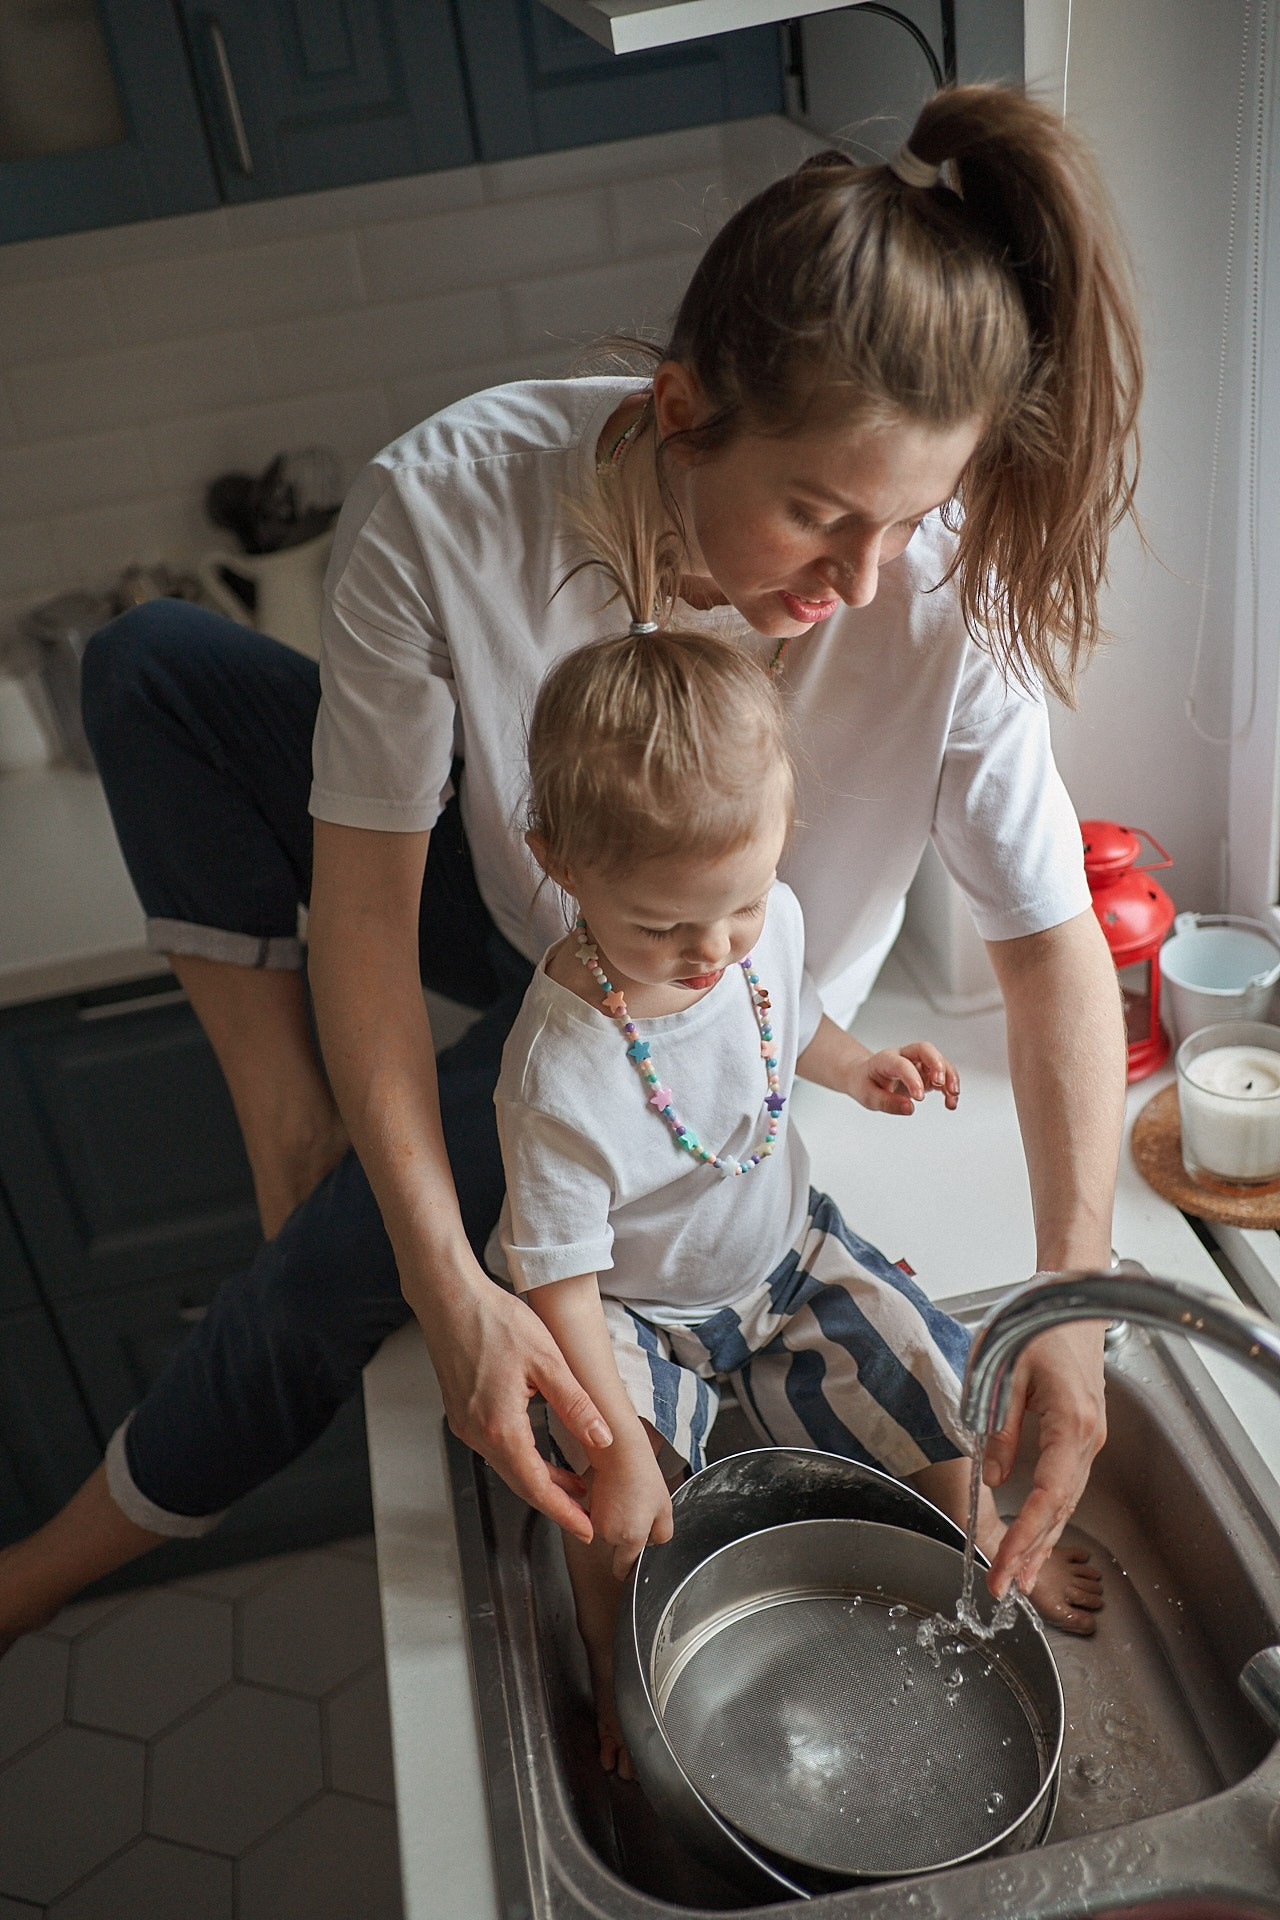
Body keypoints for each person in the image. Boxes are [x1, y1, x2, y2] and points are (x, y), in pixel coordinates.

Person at [0, 83, 1135, 1648]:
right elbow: (368, 917)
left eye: (909, 519)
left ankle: (38, 1563)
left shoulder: (928, 575)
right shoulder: (449, 505)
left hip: (698, 992)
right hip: (527, 888)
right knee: (146, 665)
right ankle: (289, 1140)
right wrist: (445, 1279)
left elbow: (1050, 941)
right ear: (680, 411)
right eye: (817, 515)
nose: (866, 578)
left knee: (330, 1270)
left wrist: (1075, 1303)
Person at [495, 511, 1103, 1769]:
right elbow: (557, 1276)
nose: (710, 951)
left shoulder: (758, 920)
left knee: (940, 1377)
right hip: (633, 1312)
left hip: (783, 1255)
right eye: (662, 927)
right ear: (557, 863)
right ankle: (613, 1674)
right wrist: (614, 1452)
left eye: (734, 906)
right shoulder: (559, 1068)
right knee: (609, 1499)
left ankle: (979, 1552)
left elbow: (791, 1012)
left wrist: (856, 1065)